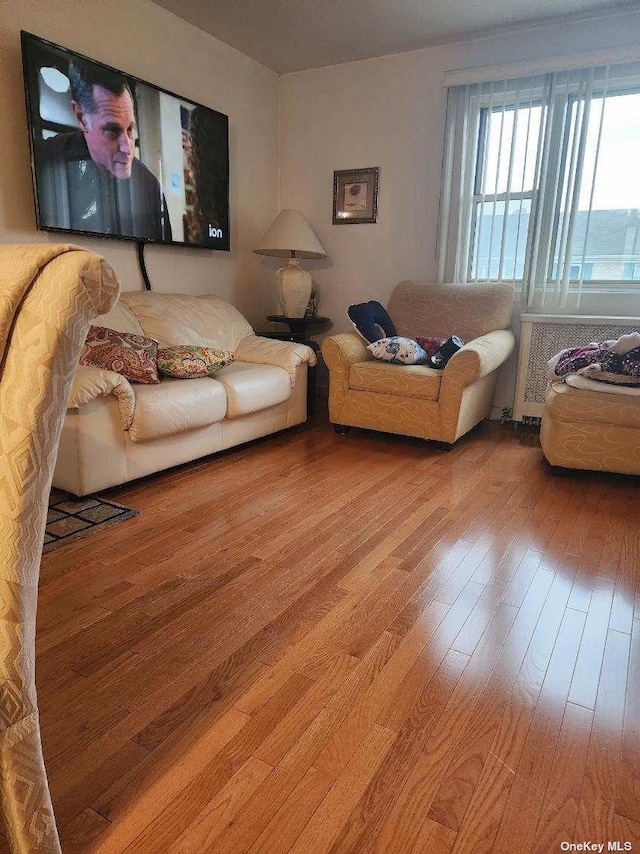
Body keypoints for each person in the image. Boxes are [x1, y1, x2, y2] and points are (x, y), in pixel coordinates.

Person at [36, 61, 171, 242]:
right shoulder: (44, 163)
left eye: (130, 129)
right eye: (112, 131)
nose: (127, 147)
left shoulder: (149, 186)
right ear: (81, 117)